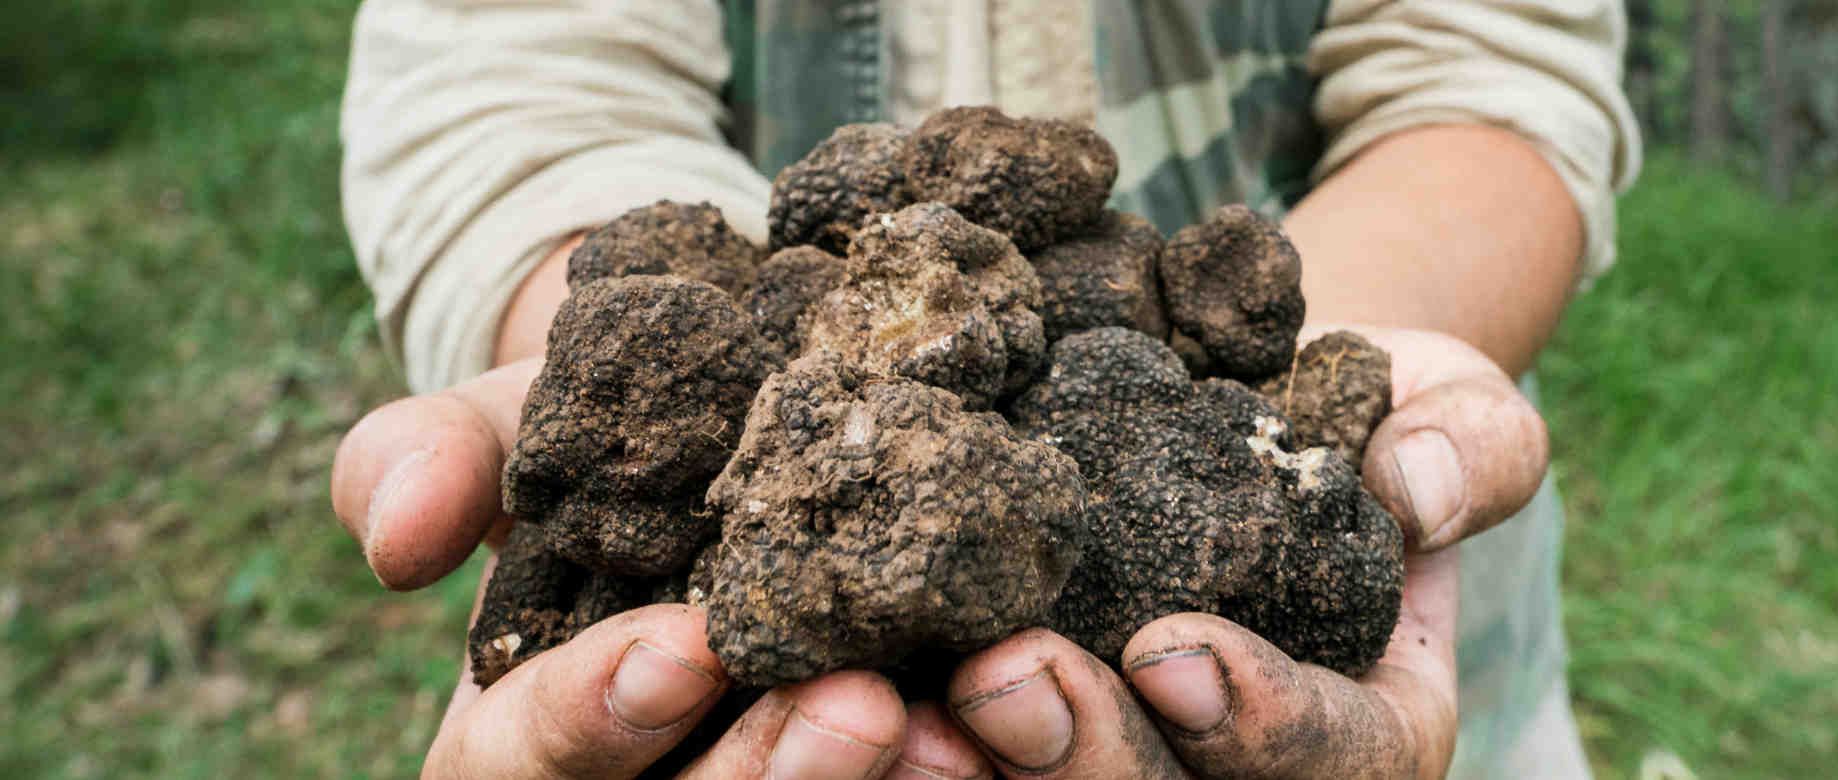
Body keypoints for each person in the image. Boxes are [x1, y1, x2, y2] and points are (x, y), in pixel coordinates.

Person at [330, 1, 1639, 777]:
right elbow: (507, 88)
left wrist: (1343, 363)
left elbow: (1486, 63)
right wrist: (595, 354)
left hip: (1453, 705)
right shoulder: (802, 380)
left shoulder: (1128, 365)